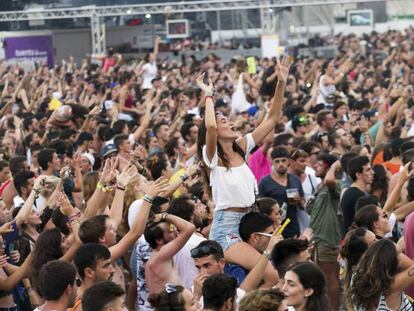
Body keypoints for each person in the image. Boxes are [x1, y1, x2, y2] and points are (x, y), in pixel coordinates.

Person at [196, 56, 291, 287]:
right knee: (269, 275)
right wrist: (208, 95)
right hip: (227, 227)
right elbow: (209, 125)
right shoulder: (212, 157)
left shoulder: (241, 147)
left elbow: (272, 119)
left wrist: (281, 83)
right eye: (222, 120)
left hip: (248, 222)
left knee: (270, 273)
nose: (228, 121)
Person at [308, 153, 342, 310]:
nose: (315, 165)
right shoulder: (320, 187)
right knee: (324, 279)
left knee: (330, 279)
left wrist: (335, 165)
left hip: (327, 239)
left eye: (320, 164)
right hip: (318, 238)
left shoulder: (334, 185)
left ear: (328, 167)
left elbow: (330, 180)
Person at [350, 239, 414, 311]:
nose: (402, 255)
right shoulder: (391, 287)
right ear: (391, 261)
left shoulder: (358, 277)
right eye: (399, 253)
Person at [144, 211, 195, 293]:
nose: (176, 232)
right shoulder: (161, 255)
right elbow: (189, 228)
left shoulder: (156, 258)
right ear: (159, 240)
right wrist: (164, 215)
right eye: (170, 231)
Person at [259, 146, 304, 237]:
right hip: (274, 229)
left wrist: (299, 201)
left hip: (293, 227)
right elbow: (260, 208)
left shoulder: (295, 179)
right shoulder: (265, 182)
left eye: (283, 160)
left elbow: (302, 205)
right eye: (277, 161)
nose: (281, 164)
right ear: (272, 162)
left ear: (289, 161)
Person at [71, 243, 116, 311]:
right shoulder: (83, 307)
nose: (113, 270)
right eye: (106, 266)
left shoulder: (99, 296)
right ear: (89, 272)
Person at [341, 155, 374, 233]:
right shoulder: (356, 195)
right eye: (368, 170)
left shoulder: (352, 192)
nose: (372, 172)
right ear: (358, 174)